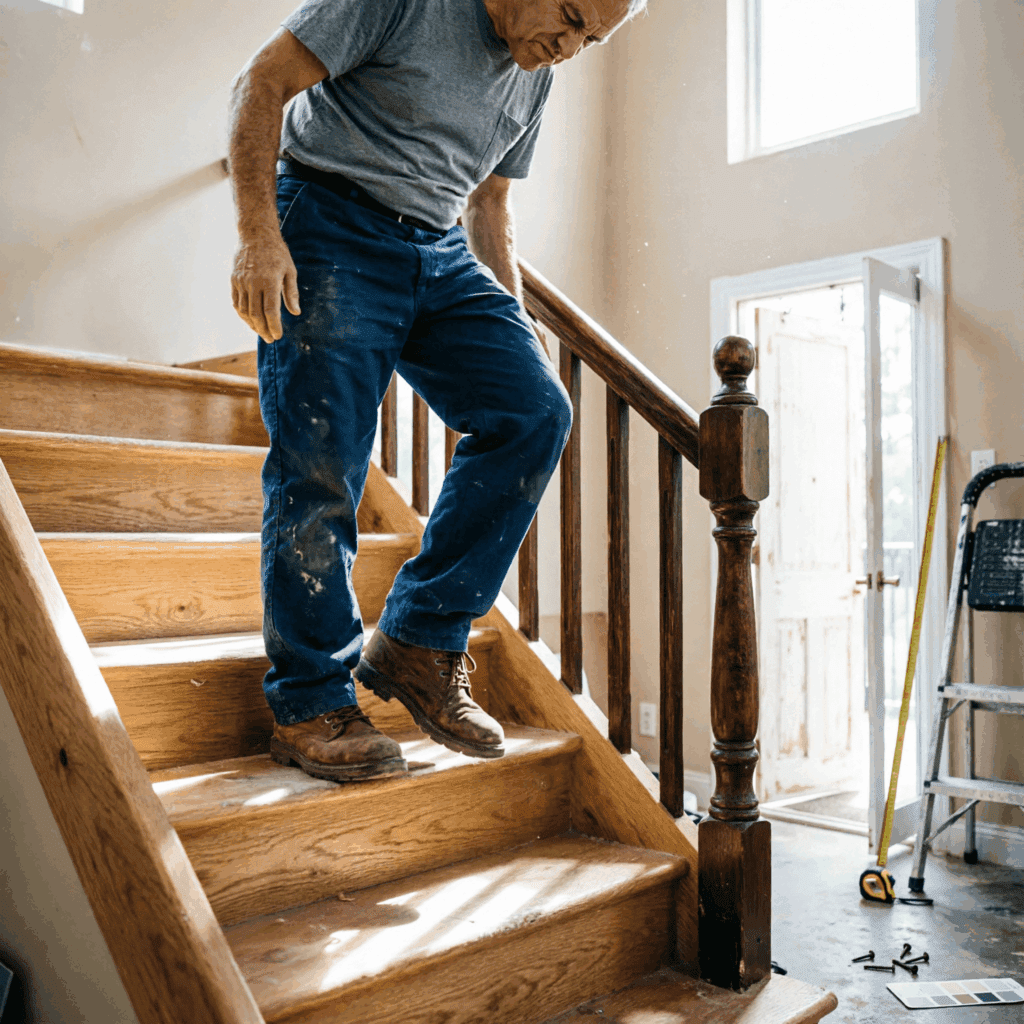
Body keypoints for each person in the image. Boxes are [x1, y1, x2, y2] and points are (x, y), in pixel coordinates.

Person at [228, 0, 644, 784]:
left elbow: (490, 204)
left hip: (440, 247)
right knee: (322, 466)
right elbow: (262, 83)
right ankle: (312, 701)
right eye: (570, 16)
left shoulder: (537, 71)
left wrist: (514, 320)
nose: (571, 45)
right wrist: (259, 234)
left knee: (535, 408)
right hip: (331, 219)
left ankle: (420, 637)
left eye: (593, 38)